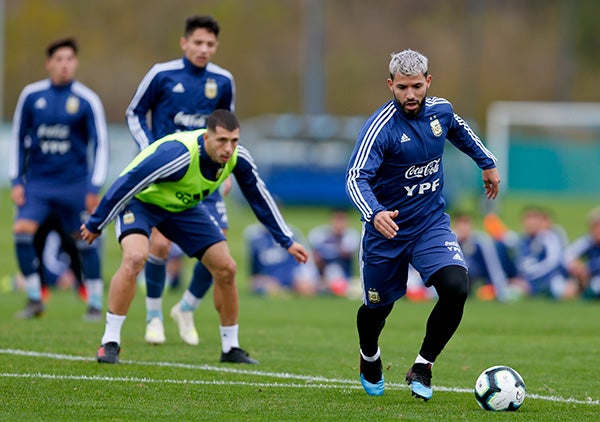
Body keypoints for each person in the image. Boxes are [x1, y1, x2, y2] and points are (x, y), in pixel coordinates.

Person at [82, 110, 309, 364]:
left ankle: (230, 347)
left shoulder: (237, 158)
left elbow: (259, 197)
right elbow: (127, 182)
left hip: (182, 208)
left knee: (226, 268)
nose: (228, 148)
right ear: (206, 137)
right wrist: (96, 222)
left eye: (234, 141)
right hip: (141, 203)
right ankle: (109, 342)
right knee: (136, 257)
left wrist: (286, 240)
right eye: (222, 140)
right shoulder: (177, 154)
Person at [345, 49, 500, 401]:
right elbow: (356, 177)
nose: (410, 95)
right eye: (402, 87)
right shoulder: (380, 128)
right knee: (377, 309)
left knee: (457, 287)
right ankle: (369, 355)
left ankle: (423, 365)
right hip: (387, 231)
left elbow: (460, 130)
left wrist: (486, 162)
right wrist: (374, 212)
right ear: (390, 85)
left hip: (430, 223)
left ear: (428, 81)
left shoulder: (440, 111)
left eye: (416, 86)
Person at [126, 15, 236, 346]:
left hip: (205, 176)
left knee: (220, 246)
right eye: (198, 43)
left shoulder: (223, 80)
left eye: (210, 44)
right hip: (167, 177)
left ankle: (185, 307)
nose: (204, 49)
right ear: (184, 42)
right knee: (159, 244)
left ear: (216, 46)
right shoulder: (162, 74)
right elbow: (134, 112)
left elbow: (227, 124)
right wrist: (150, 153)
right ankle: (154, 316)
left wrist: (226, 163)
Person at [9, 37, 108, 321]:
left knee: (84, 239)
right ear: (49, 63)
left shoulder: (87, 100)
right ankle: (33, 298)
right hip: (38, 183)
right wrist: (17, 180)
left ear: (75, 63)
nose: (64, 65)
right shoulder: (31, 95)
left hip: (74, 184)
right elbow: (17, 138)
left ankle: (95, 303)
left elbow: (100, 143)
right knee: (22, 231)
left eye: (69, 59)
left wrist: (94, 185)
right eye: (59, 59)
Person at [515, 206, 578, 299]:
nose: (531, 222)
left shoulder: (549, 237)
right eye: (528, 218)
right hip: (531, 280)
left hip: (550, 278)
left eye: (534, 218)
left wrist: (529, 277)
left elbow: (553, 263)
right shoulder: (522, 240)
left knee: (562, 291)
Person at [452, 211, 515, 301]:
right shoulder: (450, 241)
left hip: (478, 276)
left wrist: (500, 289)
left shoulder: (481, 241)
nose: (463, 228)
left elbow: (493, 265)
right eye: (460, 224)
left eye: (466, 223)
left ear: (472, 225)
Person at [245, 223, 319, 296]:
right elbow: (254, 270)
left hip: (292, 278)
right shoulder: (255, 237)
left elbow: (303, 260)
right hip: (270, 279)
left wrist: (303, 278)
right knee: (263, 287)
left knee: (306, 289)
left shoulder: (291, 234)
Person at [307, 208, 359, 296]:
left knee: (334, 270)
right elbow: (316, 256)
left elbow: (346, 254)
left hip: (344, 273)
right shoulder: (319, 233)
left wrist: (327, 250)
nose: (339, 223)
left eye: (342, 219)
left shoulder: (351, 235)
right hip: (320, 273)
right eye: (337, 219)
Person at [564, 207, 600, 299]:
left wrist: (588, 268)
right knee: (568, 291)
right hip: (591, 278)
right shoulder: (588, 241)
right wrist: (577, 266)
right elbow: (568, 254)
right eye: (594, 227)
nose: (597, 231)